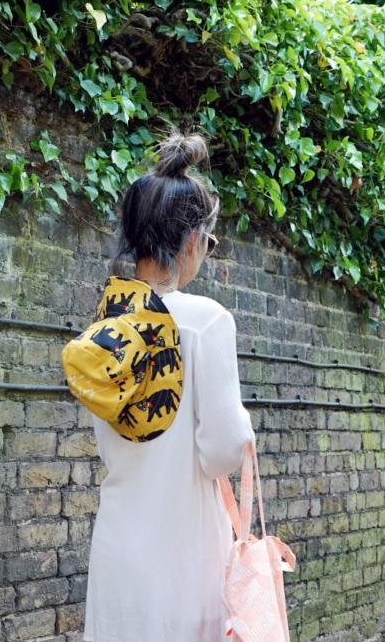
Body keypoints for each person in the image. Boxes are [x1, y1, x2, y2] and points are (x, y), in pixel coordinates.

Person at [81, 131, 256, 642]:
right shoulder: (206, 321)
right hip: (185, 558)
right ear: (193, 240)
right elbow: (223, 454)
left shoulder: (104, 328)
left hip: (118, 553)